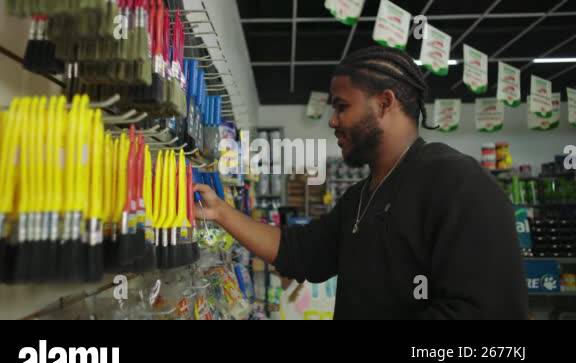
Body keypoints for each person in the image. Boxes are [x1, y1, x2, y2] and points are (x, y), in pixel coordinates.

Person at [195, 45, 528, 320]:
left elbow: (487, 310)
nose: (333, 120)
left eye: (342, 107)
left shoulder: (458, 183)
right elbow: (303, 252)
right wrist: (221, 212)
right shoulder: (360, 198)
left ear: (385, 103)